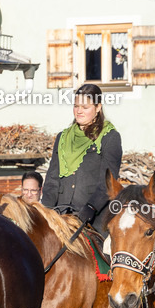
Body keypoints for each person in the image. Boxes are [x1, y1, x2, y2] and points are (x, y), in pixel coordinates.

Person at [41, 83, 122, 231]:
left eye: (85, 107)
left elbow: (108, 182)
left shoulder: (110, 137)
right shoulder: (63, 138)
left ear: (98, 108)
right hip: (61, 216)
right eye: (76, 106)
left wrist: (91, 207)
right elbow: (52, 179)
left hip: (94, 218)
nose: (79, 111)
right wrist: (46, 212)